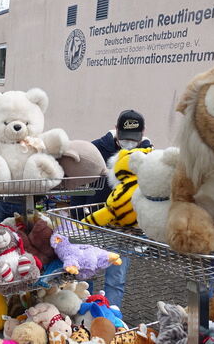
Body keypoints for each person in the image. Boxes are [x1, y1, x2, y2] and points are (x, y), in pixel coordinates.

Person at [72, 109, 152, 310]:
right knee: (86, 273)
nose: (129, 142)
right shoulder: (96, 150)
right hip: (93, 223)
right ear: (116, 129)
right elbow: (79, 185)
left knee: (116, 278)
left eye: (134, 138)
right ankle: (84, 315)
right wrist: (79, 219)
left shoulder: (147, 155)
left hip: (123, 229)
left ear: (143, 133)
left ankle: (112, 319)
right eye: (124, 137)